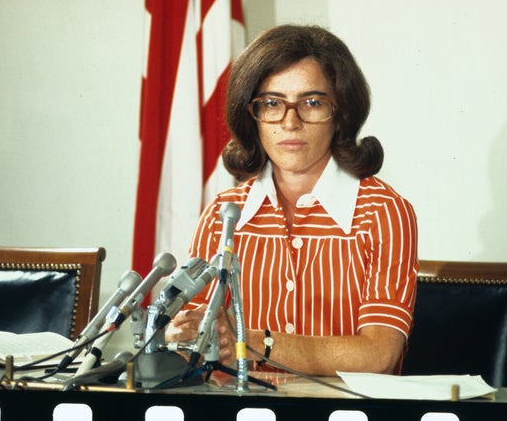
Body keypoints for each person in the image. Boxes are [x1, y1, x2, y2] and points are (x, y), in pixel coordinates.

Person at [165, 24, 418, 376]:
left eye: (312, 103)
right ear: (251, 116)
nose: (290, 121)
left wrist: (249, 341)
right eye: (272, 104)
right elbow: (194, 339)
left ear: (341, 114)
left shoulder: (383, 213)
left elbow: (378, 355)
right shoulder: (224, 216)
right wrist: (180, 335)